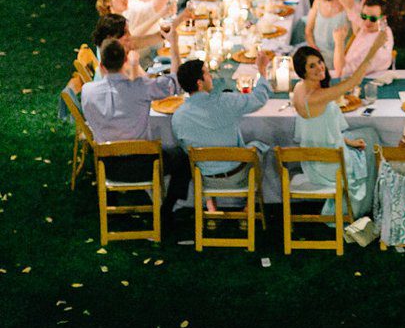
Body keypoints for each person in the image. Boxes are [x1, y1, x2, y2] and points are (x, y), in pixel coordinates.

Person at [80, 38, 188, 226]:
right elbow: (176, 83)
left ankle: (112, 205)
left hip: (106, 165)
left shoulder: (87, 91)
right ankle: (167, 208)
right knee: (182, 156)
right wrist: (174, 46)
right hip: (145, 165)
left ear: (102, 67)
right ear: (125, 62)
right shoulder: (140, 87)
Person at [291, 34, 388, 218]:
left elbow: (319, 131)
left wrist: (348, 142)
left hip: (314, 159)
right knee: (372, 139)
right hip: (329, 165)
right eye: (312, 66)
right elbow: (352, 83)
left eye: (319, 62)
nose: (320, 67)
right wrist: (373, 50)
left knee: (366, 135)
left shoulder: (298, 89)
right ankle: (364, 207)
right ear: (302, 72)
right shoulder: (316, 97)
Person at [172, 51, 274, 212]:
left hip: (205, 180)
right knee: (259, 147)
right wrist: (261, 70)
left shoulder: (178, 116)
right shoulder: (225, 101)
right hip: (239, 176)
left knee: (199, 155)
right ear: (200, 83)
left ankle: (211, 203)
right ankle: (248, 206)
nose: (211, 77)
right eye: (207, 74)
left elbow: (186, 149)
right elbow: (258, 99)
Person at [303, 0, 356, 68]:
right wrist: (312, 47)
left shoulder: (350, 7)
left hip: (338, 56)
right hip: (316, 52)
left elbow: (356, 37)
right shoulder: (319, 0)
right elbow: (308, 31)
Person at [335, 0, 394, 78]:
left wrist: (339, 42)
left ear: (383, 18)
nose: (367, 22)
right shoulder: (379, 27)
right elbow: (350, 8)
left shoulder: (379, 45)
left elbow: (341, 71)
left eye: (373, 19)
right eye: (364, 16)